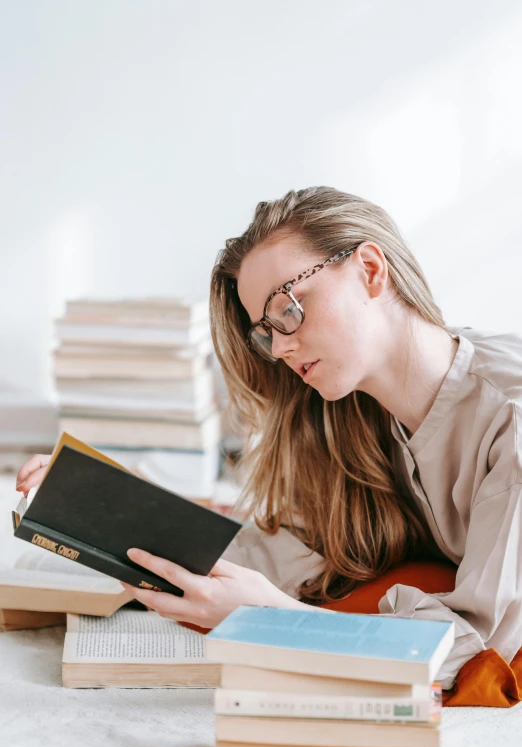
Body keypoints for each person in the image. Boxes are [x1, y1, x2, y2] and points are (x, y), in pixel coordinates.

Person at [16, 186, 522, 691]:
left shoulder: (509, 417)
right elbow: (291, 550)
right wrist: (109, 505)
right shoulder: (355, 414)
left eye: (288, 308)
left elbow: (476, 650)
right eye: (265, 330)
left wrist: (270, 617)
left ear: (370, 270)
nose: (279, 348)